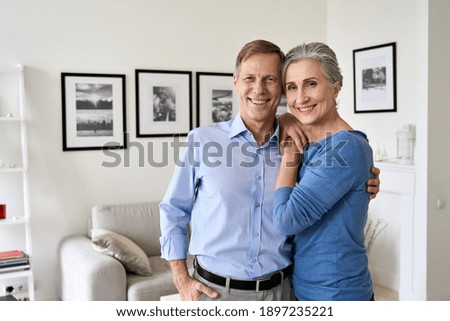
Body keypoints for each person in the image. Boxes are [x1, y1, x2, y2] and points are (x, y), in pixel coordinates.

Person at [159, 39, 380, 301]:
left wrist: (365, 179)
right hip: (216, 294)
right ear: (236, 82)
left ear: (279, 90)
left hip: (284, 292)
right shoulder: (202, 141)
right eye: (250, 78)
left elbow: (338, 174)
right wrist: (181, 278)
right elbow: (173, 210)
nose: (258, 89)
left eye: (270, 79)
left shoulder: (301, 145)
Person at [273, 42, 375, 301]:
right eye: (292, 87)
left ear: (335, 87)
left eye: (311, 84)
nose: (300, 98)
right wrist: (285, 119)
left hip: (337, 293)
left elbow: (286, 220)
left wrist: (289, 155)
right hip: (302, 287)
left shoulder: (346, 147)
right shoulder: (308, 141)